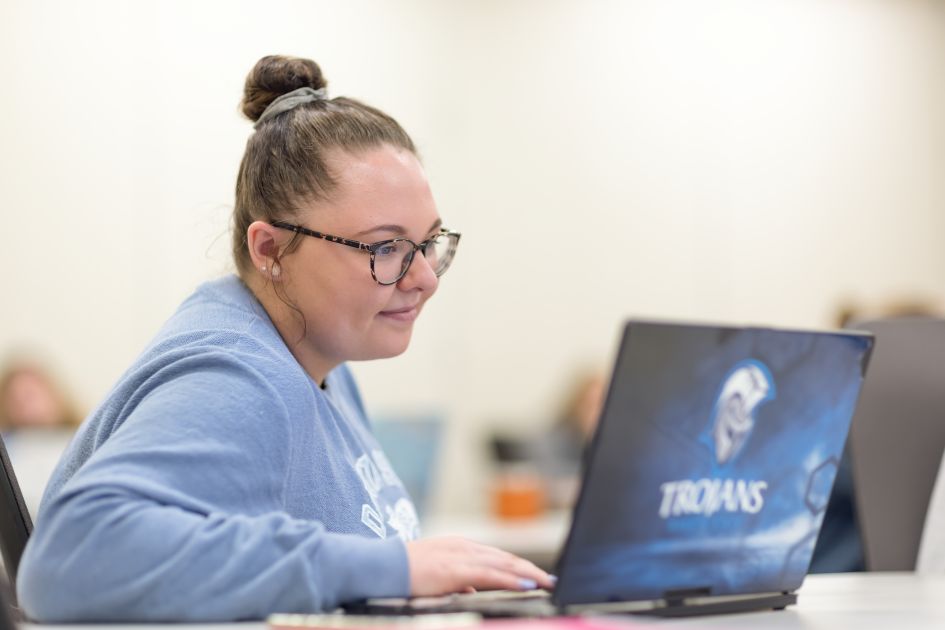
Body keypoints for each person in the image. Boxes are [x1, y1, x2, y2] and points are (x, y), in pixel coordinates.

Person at [16, 55, 553, 622]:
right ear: (270, 250)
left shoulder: (322, 360)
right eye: (385, 247)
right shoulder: (237, 375)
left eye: (429, 242)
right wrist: (395, 568)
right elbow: (69, 560)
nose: (422, 278)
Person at [0, 355, 82, 514]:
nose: (25, 406)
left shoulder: (82, 437)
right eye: (16, 399)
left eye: (31, 395)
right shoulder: (8, 448)